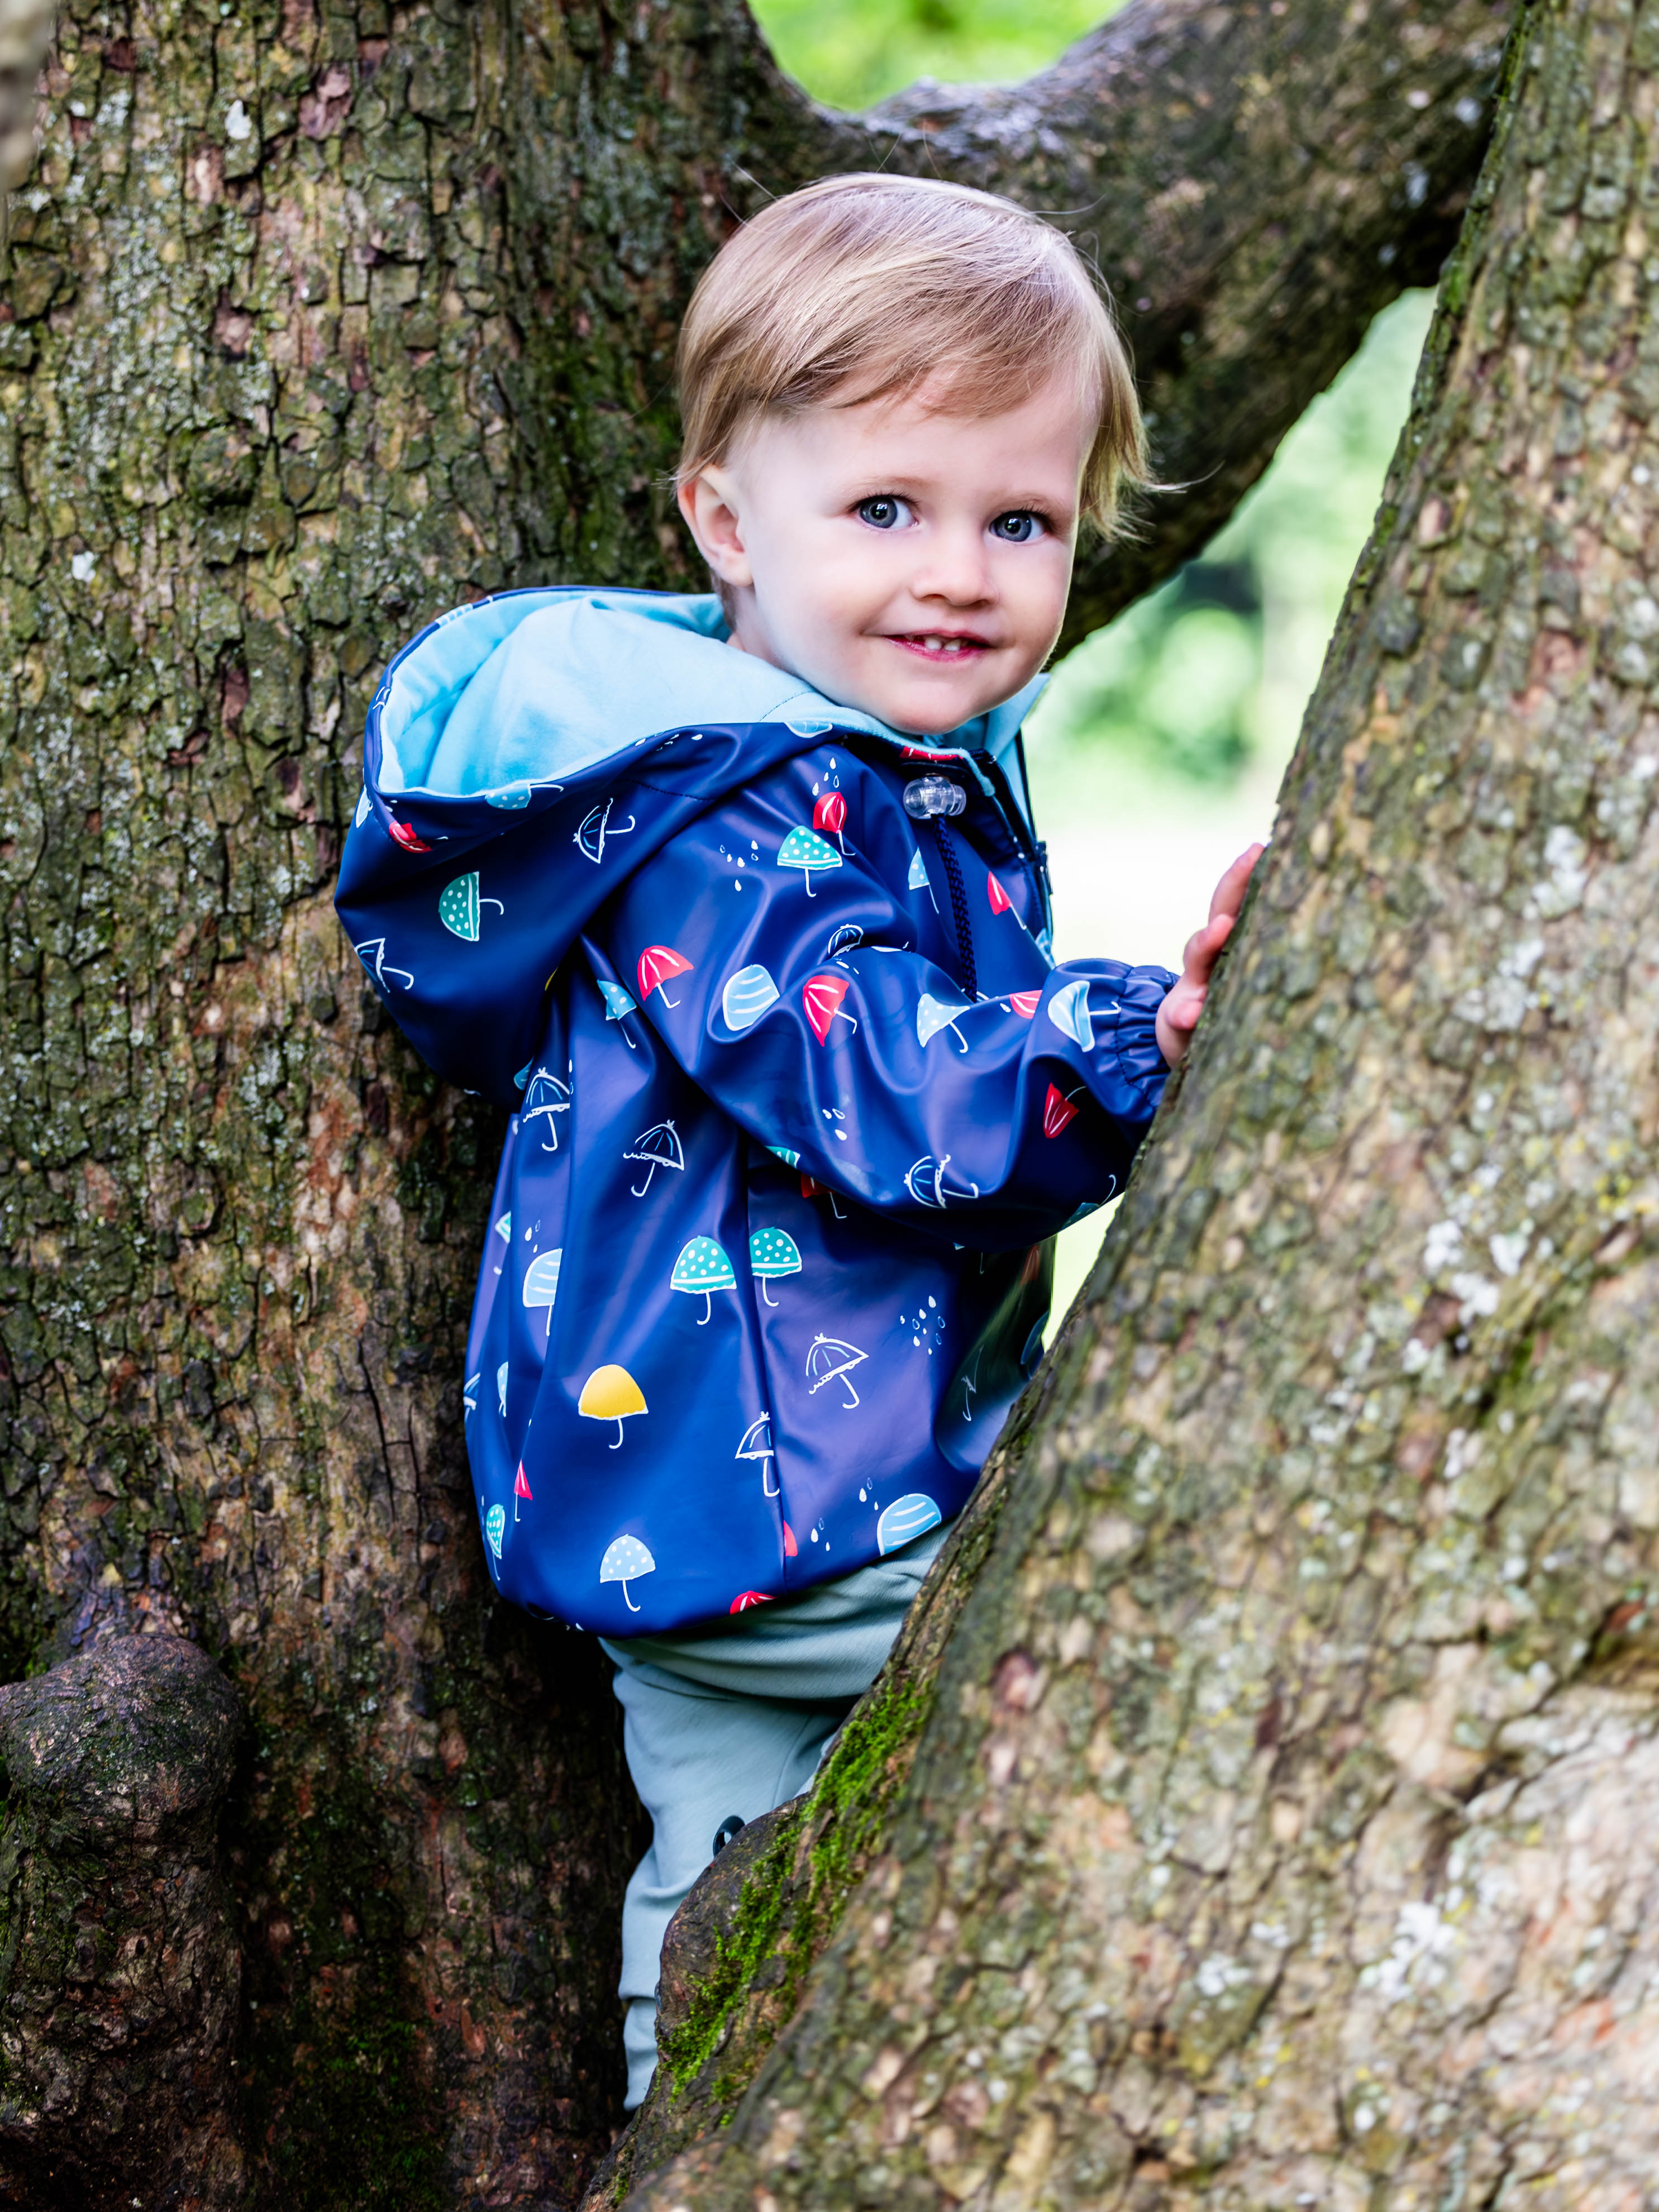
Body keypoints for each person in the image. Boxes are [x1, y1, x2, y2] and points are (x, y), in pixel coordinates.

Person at [334, 173, 1260, 2111]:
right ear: (722, 524)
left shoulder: (886, 775)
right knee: (1165, 1648)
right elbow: (891, 1093)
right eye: (887, 511)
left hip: (714, 1491)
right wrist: (1138, 1032)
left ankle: (695, 2141)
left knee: (715, 1881)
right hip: (771, 1491)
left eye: (1020, 521)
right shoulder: (726, 819)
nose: (959, 572)